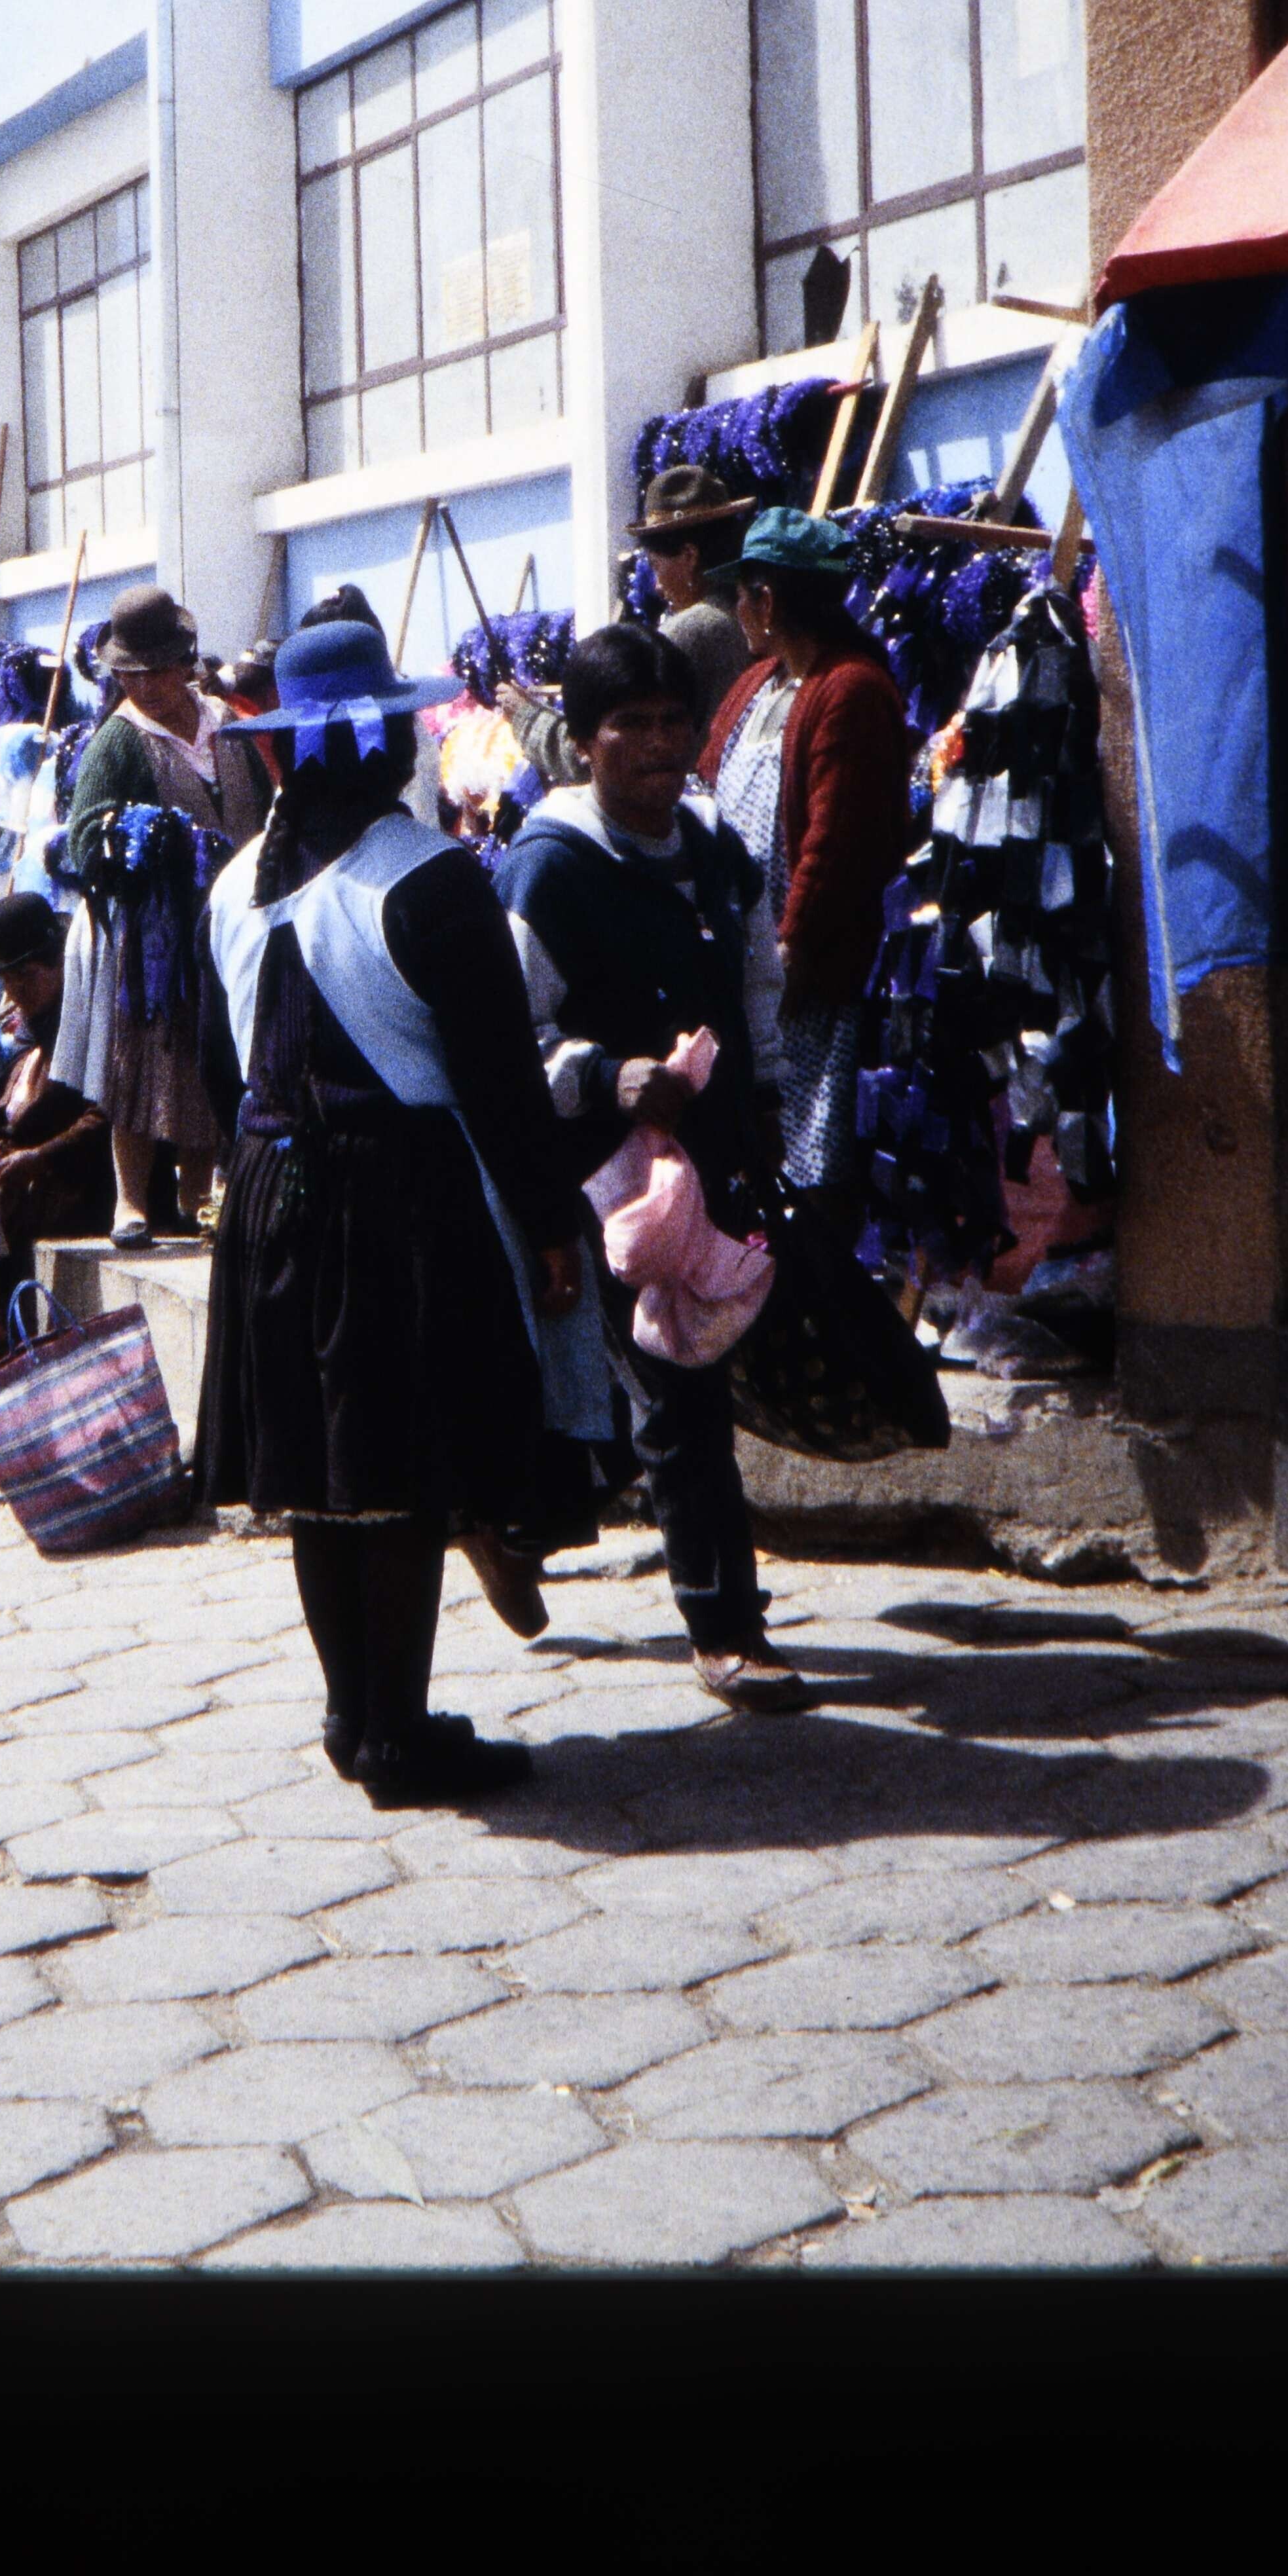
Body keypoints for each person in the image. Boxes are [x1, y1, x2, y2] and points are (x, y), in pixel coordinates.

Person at [201, 615, 614, 1805]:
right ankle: (397, 1734)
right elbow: (499, 1080)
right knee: (400, 1469)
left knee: (323, 1472)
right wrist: (549, 1222)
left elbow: (229, 1065)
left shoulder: (234, 888)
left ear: (282, 750)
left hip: (269, 1190)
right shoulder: (430, 882)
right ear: (388, 742)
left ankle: (354, 1714)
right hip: (397, 1192)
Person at [500, 623, 811, 1708]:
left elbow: (759, 981)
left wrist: (765, 1097)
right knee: (675, 1389)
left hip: (712, 1153)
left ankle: (517, 1526)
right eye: (630, 723)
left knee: (666, 1382)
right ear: (584, 740)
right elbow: (509, 1038)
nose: (658, 743)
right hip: (606, 1174)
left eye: (675, 720)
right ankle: (727, 1628)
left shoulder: (717, 849)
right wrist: (603, 1074)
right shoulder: (548, 868)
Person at [701, 508, 915, 1199]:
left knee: (807, 1156)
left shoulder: (850, 687)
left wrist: (788, 949)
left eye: (741, 594)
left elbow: (836, 841)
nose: (736, 609)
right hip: (749, 954)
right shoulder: (758, 682)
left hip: (808, 966)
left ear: (767, 600)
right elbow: (704, 782)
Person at [54, 589, 266, 1245]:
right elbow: (82, 839)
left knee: (212, 1053)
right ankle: (131, 1201)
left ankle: (197, 1194)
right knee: (143, 1056)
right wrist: (137, 837)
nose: (143, 686)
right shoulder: (118, 742)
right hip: (153, 936)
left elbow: (265, 803)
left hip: (231, 920)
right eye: (129, 674)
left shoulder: (227, 724)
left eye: (154, 672)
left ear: (183, 666)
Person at [0, 891, 113, 1259]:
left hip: (82, 1189)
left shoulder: (88, 1023)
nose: (16, 991)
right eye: (8, 980)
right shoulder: (29, 1032)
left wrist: (39, 1157)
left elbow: (104, 1115)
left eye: (27, 976)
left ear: (59, 965)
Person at [633, 460, 761, 731]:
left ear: (690, 556)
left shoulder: (688, 631)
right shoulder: (753, 616)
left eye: (656, 566)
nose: (657, 586)